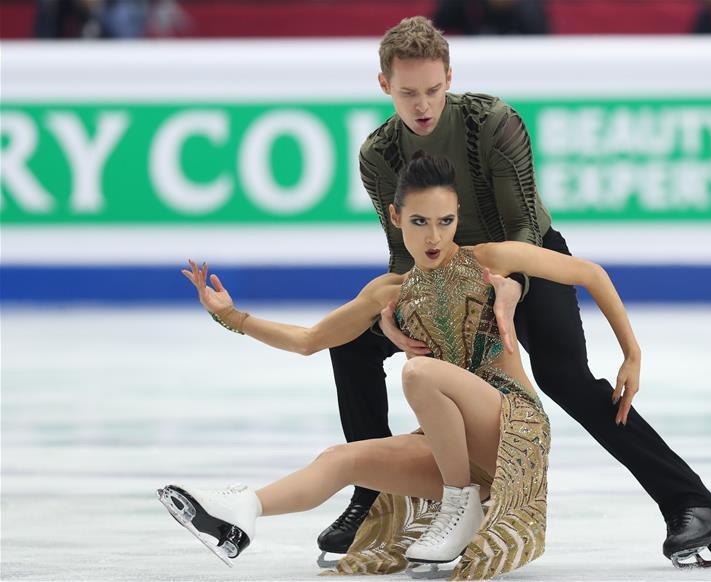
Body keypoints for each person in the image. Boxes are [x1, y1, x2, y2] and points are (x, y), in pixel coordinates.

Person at [319, 15, 711, 570]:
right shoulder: (378, 154)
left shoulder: (493, 122)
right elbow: (404, 249)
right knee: (352, 340)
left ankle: (693, 505)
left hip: (526, 262)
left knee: (567, 379)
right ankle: (372, 500)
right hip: (443, 276)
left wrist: (505, 294)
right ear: (383, 86)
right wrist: (395, 312)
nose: (421, 104)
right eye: (406, 93)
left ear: (450, 76)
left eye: (432, 89)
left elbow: (520, 227)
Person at [160, 152, 647, 578]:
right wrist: (233, 317)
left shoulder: (490, 259)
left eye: (445, 221)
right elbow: (310, 340)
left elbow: (590, 273)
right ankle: (242, 511)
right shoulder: (388, 291)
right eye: (419, 222)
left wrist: (631, 353)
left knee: (416, 372)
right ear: (396, 216)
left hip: (510, 424)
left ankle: (460, 505)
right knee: (341, 459)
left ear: (457, 217)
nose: (434, 236)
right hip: (456, 447)